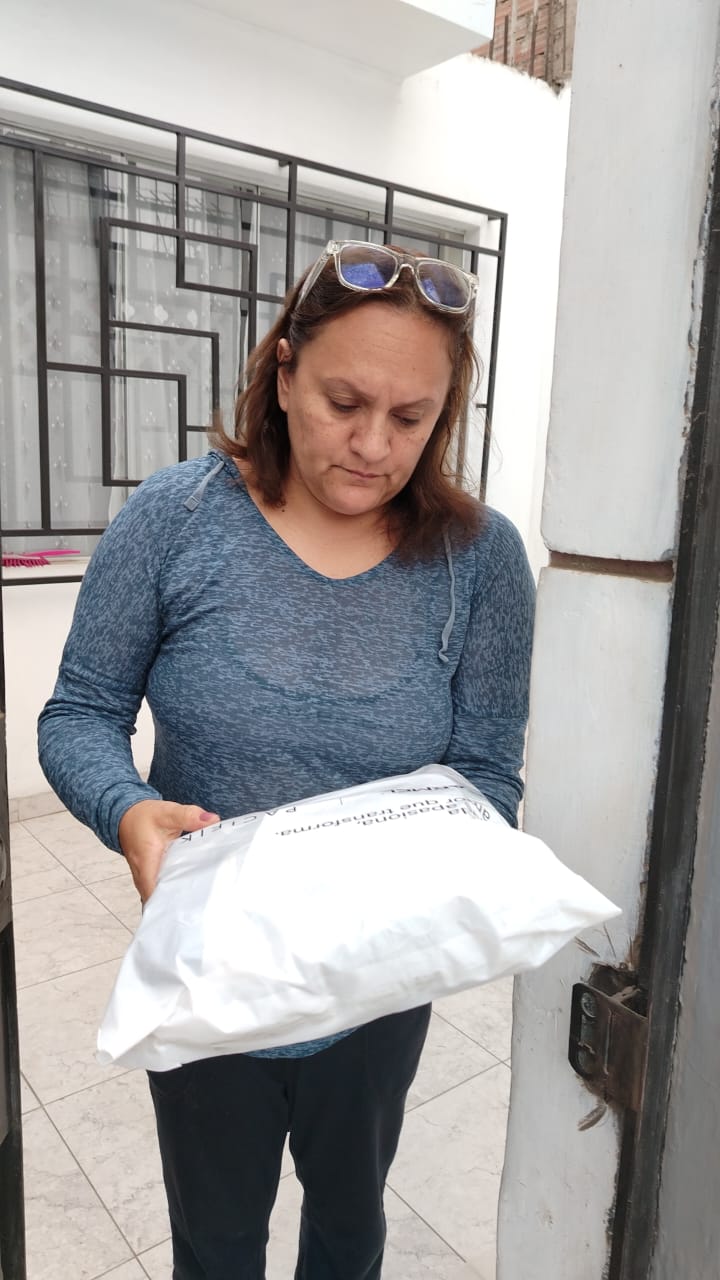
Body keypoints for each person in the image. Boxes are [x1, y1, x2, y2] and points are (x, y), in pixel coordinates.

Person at [38, 239, 535, 1279]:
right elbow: (80, 712)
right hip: (210, 972)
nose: (372, 444)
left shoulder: (479, 560)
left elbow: (488, 770)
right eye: (343, 402)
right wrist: (127, 809)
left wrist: (445, 864)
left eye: (411, 418)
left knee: (349, 1227)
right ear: (282, 371)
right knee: (216, 1242)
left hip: (378, 984)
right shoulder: (177, 518)